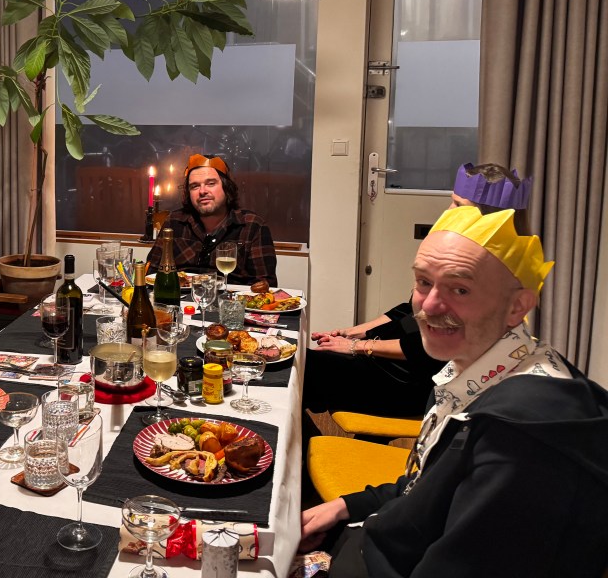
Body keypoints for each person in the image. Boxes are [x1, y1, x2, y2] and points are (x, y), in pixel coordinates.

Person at [301, 206, 608, 577]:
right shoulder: (470, 372)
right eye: (423, 282)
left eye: (460, 289)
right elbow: (426, 486)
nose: (429, 306)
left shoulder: (520, 436)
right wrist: (346, 507)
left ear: (517, 306)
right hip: (382, 538)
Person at [303, 163, 530, 418]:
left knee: (304, 368)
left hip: (414, 382)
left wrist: (357, 346)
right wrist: (354, 332)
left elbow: (428, 350)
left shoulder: (486, 275)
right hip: (392, 360)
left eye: (458, 205)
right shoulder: (457, 254)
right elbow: (408, 309)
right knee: (303, 364)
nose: (448, 211)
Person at [145, 153, 278, 286]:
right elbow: (151, 273)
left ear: (226, 187)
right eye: (195, 186)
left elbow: (265, 285)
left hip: (231, 297)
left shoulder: (252, 226)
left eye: (211, 183)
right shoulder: (174, 222)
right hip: (178, 297)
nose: (202, 191)